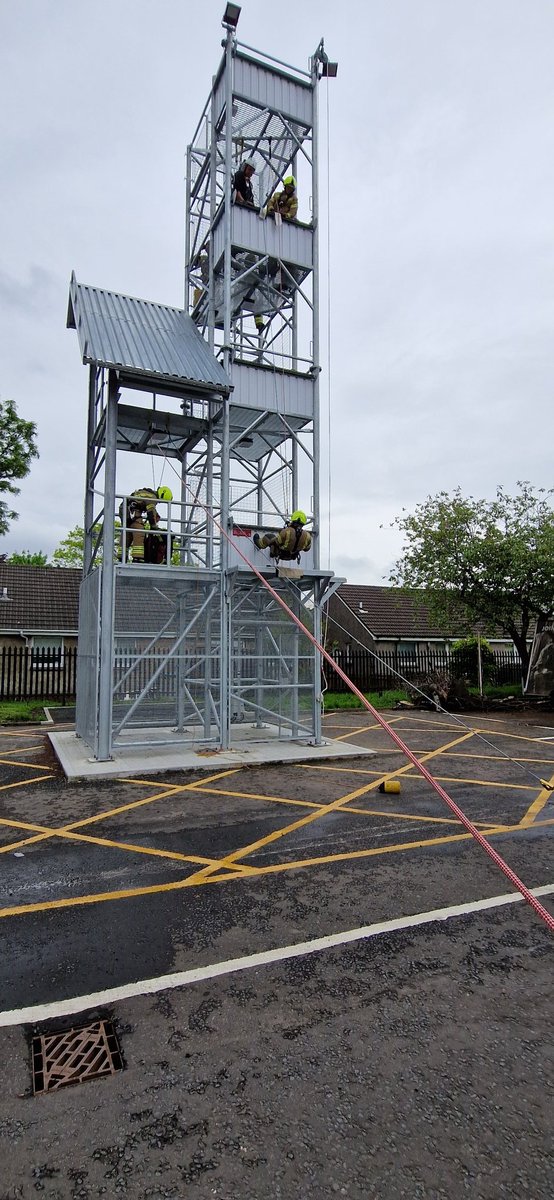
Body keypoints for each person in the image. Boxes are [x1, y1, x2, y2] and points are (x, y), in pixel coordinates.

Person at [120, 485, 173, 563]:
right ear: (162, 495)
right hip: (132, 513)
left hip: (124, 510)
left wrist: (156, 514)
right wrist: (154, 527)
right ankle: (137, 558)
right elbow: (151, 512)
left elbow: (148, 507)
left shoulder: (148, 494)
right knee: (139, 532)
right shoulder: (153, 498)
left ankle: (122, 557)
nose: (159, 502)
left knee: (127, 533)